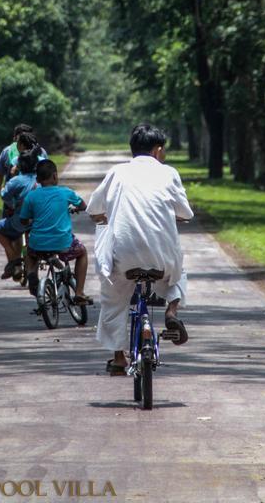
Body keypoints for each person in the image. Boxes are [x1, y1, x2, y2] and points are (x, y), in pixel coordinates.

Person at [86, 123, 193, 376]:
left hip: (123, 257)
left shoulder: (117, 172)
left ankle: (118, 358)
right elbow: (186, 213)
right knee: (178, 273)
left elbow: (93, 208)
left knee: (113, 296)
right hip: (161, 258)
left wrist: (106, 215)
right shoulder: (168, 173)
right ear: (158, 151)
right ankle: (171, 310)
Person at [19, 159, 92, 304]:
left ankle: (32, 274)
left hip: (38, 243)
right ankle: (79, 292)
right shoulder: (66, 192)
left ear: (38, 179)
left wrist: (32, 220)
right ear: (54, 176)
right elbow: (83, 205)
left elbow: (23, 220)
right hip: (62, 243)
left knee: (31, 254)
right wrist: (75, 208)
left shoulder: (31, 196)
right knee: (82, 252)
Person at [0, 147, 39, 281]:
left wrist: (13, 204)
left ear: (19, 165)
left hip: (20, 222)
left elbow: (5, 196)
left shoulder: (15, 181)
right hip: (40, 222)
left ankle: (15, 259)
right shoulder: (42, 180)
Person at [0, 124, 33, 200]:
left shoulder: (7, 152)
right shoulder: (40, 151)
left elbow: (0, 174)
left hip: (12, 197)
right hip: (34, 195)